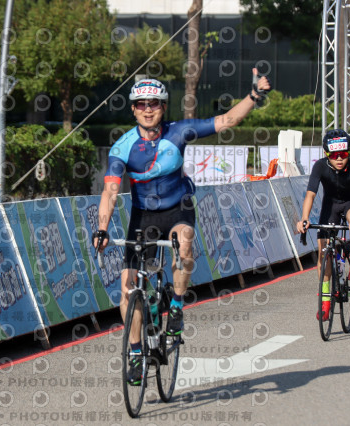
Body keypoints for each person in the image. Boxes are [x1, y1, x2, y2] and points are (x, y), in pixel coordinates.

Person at [93, 70, 272, 385]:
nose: (148, 109)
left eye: (154, 104)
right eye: (141, 104)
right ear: (133, 109)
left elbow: (226, 121)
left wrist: (254, 96)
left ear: (163, 107)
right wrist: (102, 228)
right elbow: (109, 191)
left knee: (184, 242)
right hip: (144, 217)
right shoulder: (123, 147)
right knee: (128, 289)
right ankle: (135, 352)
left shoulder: (179, 132)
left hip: (178, 208)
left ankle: (176, 304)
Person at [296, 129, 350, 322]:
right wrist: (304, 218)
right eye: (334, 155)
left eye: (343, 154)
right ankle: (325, 301)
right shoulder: (319, 166)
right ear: (327, 154)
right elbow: (310, 194)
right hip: (331, 205)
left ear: (349, 152)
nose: (340, 158)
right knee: (323, 254)